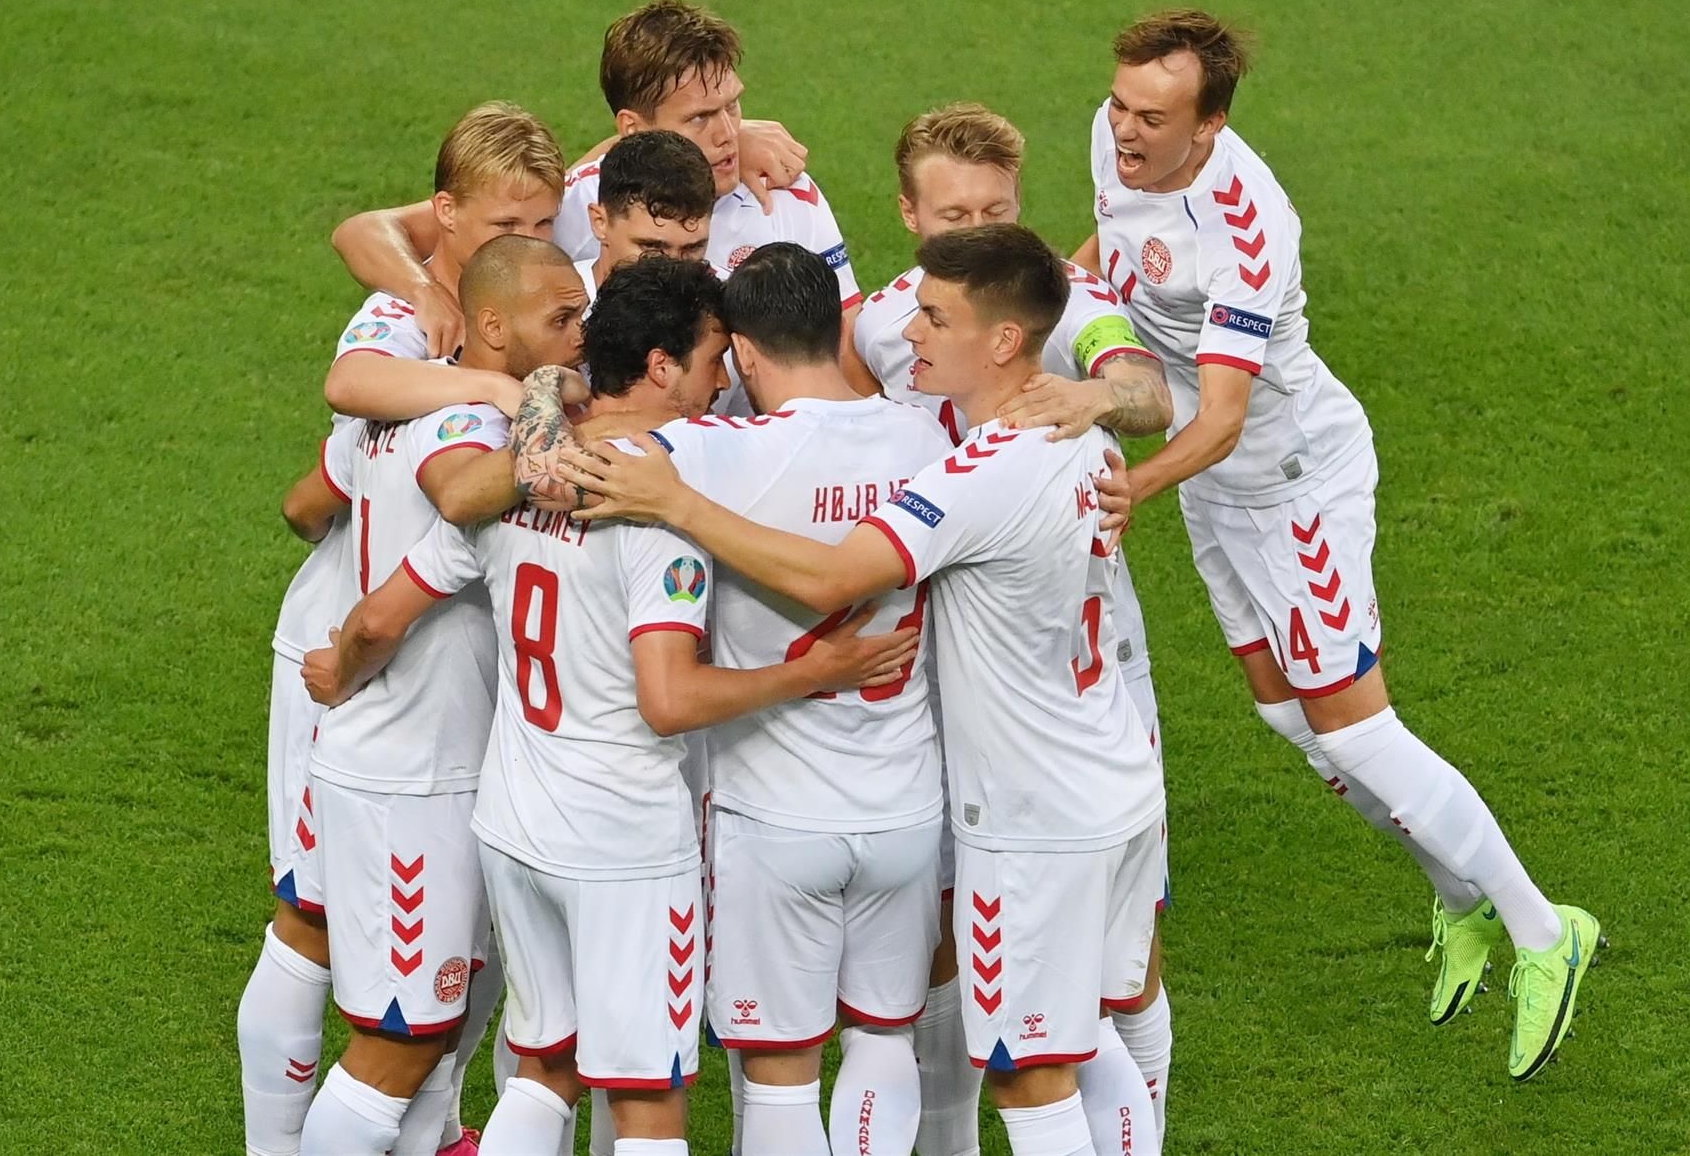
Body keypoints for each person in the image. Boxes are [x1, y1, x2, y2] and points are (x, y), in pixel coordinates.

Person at [549, 225, 1162, 1156]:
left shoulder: (715, 453)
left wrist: (544, 396)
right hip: (976, 795)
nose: (910, 332)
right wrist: (1104, 391)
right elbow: (1144, 403)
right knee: (1022, 1036)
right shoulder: (989, 435)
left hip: (848, 811)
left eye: (934, 316)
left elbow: (826, 572)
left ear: (743, 351)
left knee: (868, 1071)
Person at [1074, 8, 1599, 1080]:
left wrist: (1133, 488)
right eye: (1121, 104)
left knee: (1355, 729)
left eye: (1153, 118)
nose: (1125, 129)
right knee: (1285, 715)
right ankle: (1459, 897)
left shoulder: (1248, 224)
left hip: (1292, 485)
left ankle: (1548, 929)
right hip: (1216, 485)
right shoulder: (1114, 135)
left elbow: (1224, 416)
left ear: (1209, 126)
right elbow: (1108, 246)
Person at [308, 254, 918, 1156]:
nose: (723, 381)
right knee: (646, 1104)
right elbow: (667, 698)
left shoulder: (520, 476)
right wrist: (809, 671)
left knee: (544, 1068)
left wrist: (339, 674)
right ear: (663, 366)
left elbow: (379, 615)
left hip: (515, 825)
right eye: (711, 359)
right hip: (624, 840)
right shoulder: (655, 505)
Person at [238, 102, 571, 1156]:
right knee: (339, 948)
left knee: (442, 980)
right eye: (507, 225)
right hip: (364, 684)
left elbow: (309, 497)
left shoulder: (497, 312)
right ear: (447, 216)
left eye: (544, 223)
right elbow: (366, 400)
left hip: (408, 691)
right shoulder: (413, 328)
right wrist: (503, 394)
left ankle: (429, 1138)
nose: (531, 241)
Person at [850, 101, 1178, 1149]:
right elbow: (846, 432)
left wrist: (1096, 402)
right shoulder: (887, 323)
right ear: (909, 213)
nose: (978, 230)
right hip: (952, 658)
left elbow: (1146, 390)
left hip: (1082, 645)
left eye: (996, 210)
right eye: (955, 214)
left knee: (1117, 971)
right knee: (957, 937)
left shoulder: (1062, 299)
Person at [330, 0, 843, 360]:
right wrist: (424, 291)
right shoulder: (566, 207)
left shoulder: (788, 190)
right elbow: (366, 231)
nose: (726, 133)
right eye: (699, 118)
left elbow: (840, 338)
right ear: (632, 130)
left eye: (732, 107)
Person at [575, 128, 715, 308]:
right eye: (652, 248)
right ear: (600, 222)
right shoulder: (553, 303)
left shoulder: (727, 308)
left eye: (692, 249)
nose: (673, 272)